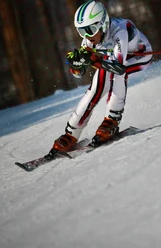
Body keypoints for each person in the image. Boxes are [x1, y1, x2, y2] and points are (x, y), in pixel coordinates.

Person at [52, 0, 152, 152]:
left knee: (117, 76)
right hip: (115, 59)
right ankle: (71, 133)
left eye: (90, 29)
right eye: (81, 31)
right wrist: (76, 65)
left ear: (103, 24)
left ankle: (111, 121)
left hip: (139, 56)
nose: (86, 36)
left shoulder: (120, 32)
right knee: (96, 87)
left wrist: (92, 59)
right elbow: (78, 74)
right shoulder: (90, 38)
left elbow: (118, 68)